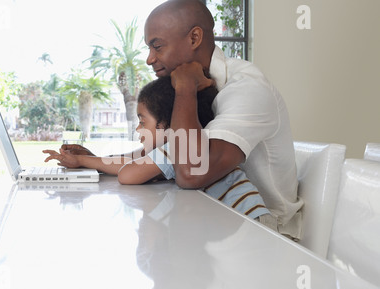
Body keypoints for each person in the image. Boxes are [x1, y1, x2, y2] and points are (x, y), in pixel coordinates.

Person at [53, 0, 304, 240]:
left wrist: (185, 85)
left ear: (194, 38)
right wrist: (92, 161)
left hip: (266, 236)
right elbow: (157, 155)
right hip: (220, 224)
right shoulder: (199, 91)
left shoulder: (246, 89)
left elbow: (191, 172)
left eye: (157, 46)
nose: (150, 59)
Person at [44, 76, 271, 220]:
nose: (138, 130)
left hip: (253, 226)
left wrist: (85, 162)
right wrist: (91, 159)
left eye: (143, 122)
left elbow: (129, 173)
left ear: (167, 125)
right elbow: (127, 160)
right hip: (243, 222)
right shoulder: (182, 143)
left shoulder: (180, 146)